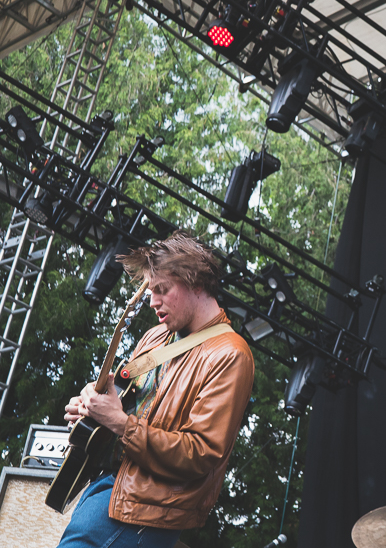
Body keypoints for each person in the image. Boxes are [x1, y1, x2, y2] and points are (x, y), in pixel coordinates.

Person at [57, 232, 255, 548]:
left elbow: (200, 454)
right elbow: (125, 405)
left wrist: (119, 422)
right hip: (107, 489)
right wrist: (92, 407)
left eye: (162, 290)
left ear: (196, 283)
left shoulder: (230, 354)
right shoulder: (155, 337)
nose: (152, 301)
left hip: (145, 510)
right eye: (150, 291)